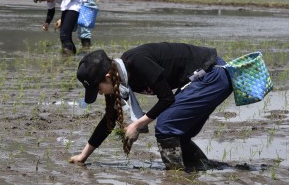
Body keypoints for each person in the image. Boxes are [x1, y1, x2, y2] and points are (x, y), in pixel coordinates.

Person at [70, 42, 233, 171]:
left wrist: (137, 125)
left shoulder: (137, 62)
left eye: (97, 89)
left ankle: (174, 180)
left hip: (212, 74)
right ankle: (201, 168)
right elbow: (109, 120)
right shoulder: (120, 79)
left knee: (166, 125)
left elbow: (167, 98)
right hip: (206, 78)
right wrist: (83, 156)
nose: (99, 94)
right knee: (177, 133)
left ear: (107, 77)